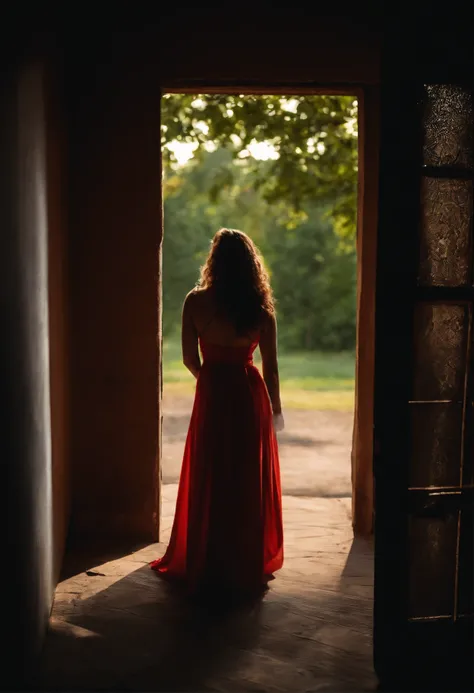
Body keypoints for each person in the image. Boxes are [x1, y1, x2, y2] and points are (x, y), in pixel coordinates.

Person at [150, 228, 284, 599]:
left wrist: (211, 377)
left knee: (211, 470)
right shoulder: (260, 311)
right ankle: (243, 560)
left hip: (213, 393)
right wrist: (276, 411)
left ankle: (208, 557)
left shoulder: (195, 302)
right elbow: (270, 369)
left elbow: (188, 358)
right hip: (248, 394)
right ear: (250, 265)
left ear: (214, 262)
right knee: (244, 475)